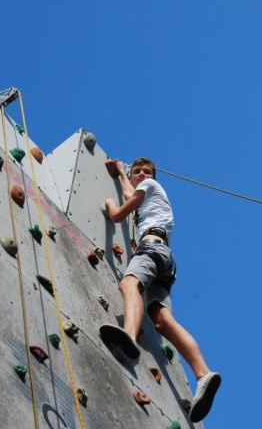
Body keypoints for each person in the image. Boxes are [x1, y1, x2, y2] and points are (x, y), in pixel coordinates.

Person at [102, 157, 221, 423]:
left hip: (152, 248)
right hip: (165, 259)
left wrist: (111, 204)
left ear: (153, 178)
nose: (142, 175)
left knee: (129, 284)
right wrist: (122, 173)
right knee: (163, 321)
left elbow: (119, 213)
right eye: (137, 172)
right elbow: (130, 194)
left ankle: (129, 335)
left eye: (147, 172)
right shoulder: (150, 197)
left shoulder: (150, 187)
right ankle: (204, 375)